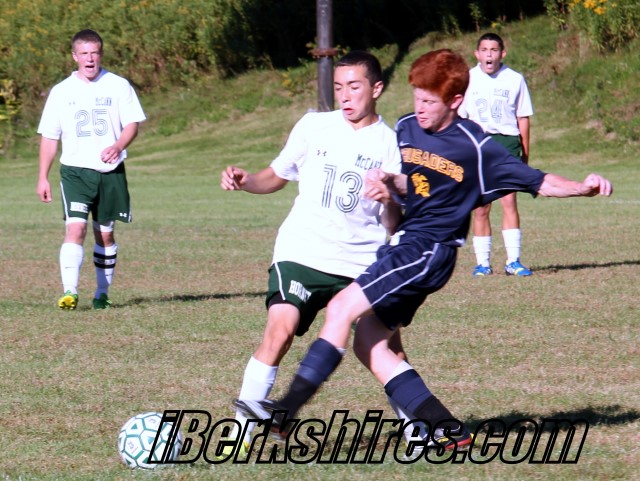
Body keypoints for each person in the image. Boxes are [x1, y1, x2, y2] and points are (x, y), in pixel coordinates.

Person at [235, 49, 613, 451]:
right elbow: (417, 184)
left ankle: (285, 411)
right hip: (406, 245)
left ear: (455, 101)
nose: (420, 108)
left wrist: (580, 187)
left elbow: (537, 180)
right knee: (371, 344)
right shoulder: (407, 128)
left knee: (342, 308)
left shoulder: (476, 147)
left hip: (428, 249)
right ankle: (446, 429)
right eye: (417, 97)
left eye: (430, 101)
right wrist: (390, 185)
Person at [222, 51, 427, 457]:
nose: (345, 96)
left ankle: (419, 433)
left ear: (377, 88)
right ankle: (239, 435)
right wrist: (246, 181)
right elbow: (276, 175)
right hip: (303, 251)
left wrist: (388, 198)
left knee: (384, 349)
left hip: (362, 263)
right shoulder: (314, 125)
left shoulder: (392, 144)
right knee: (279, 331)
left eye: (354, 87)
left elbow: (393, 224)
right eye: (338, 87)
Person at [36, 29, 146, 310]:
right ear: (74, 56)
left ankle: (101, 293)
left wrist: (118, 145)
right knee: (75, 229)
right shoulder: (61, 91)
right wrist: (42, 177)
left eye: (94, 53)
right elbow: (50, 137)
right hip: (75, 172)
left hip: (110, 172)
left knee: (105, 234)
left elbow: (132, 124)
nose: (89, 58)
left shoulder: (118, 85)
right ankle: (69, 292)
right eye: (84, 53)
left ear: (101, 54)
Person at [458, 32, 535, 277]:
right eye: (484, 50)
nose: (489, 54)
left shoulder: (514, 79)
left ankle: (513, 261)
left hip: (506, 142)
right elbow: (460, 117)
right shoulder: (468, 78)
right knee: (481, 206)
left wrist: (525, 152)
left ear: (502, 53)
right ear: (477, 54)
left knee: (509, 200)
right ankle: (483, 263)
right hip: (478, 144)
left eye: (493, 50)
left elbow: (523, 117)